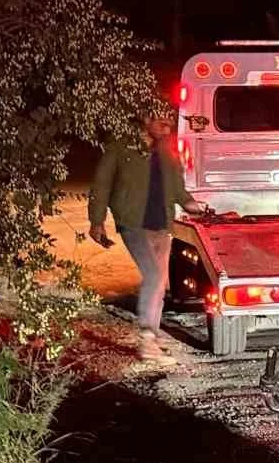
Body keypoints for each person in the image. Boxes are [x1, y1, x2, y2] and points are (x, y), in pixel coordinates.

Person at [88, 106, 209, 365]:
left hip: (161, 225)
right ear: (146, 119)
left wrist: (195, 206)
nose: (167, 130)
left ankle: (152, 337)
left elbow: (178, 189)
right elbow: (101, 183)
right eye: (162, 124)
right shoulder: (121, 146)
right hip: (132, 223)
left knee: (160, 282)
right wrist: (96, 221)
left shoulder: (167, 151)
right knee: (153, 276)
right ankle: (146, 339)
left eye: (169, 125)